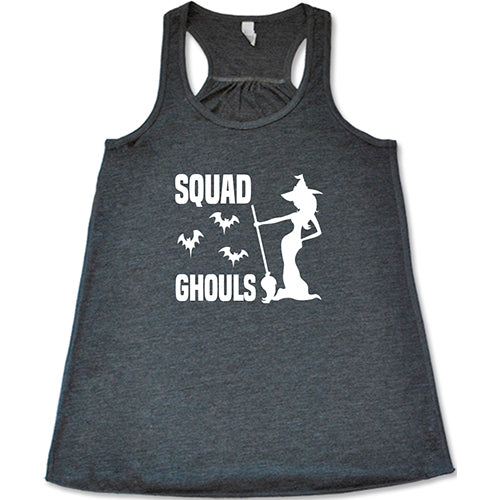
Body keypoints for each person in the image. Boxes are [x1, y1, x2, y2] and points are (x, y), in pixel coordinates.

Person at [254, 174, 322, 302]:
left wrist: (303, 239)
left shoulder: (308, 214)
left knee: (290, 264)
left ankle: (293, 287)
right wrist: (261, 223)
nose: (294, 202)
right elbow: (278, 219)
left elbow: (318, 232)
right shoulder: (297, 214)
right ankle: (290, 287)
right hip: (289, 240)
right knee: (288, 263)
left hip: (294, 241)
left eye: (296, 199)